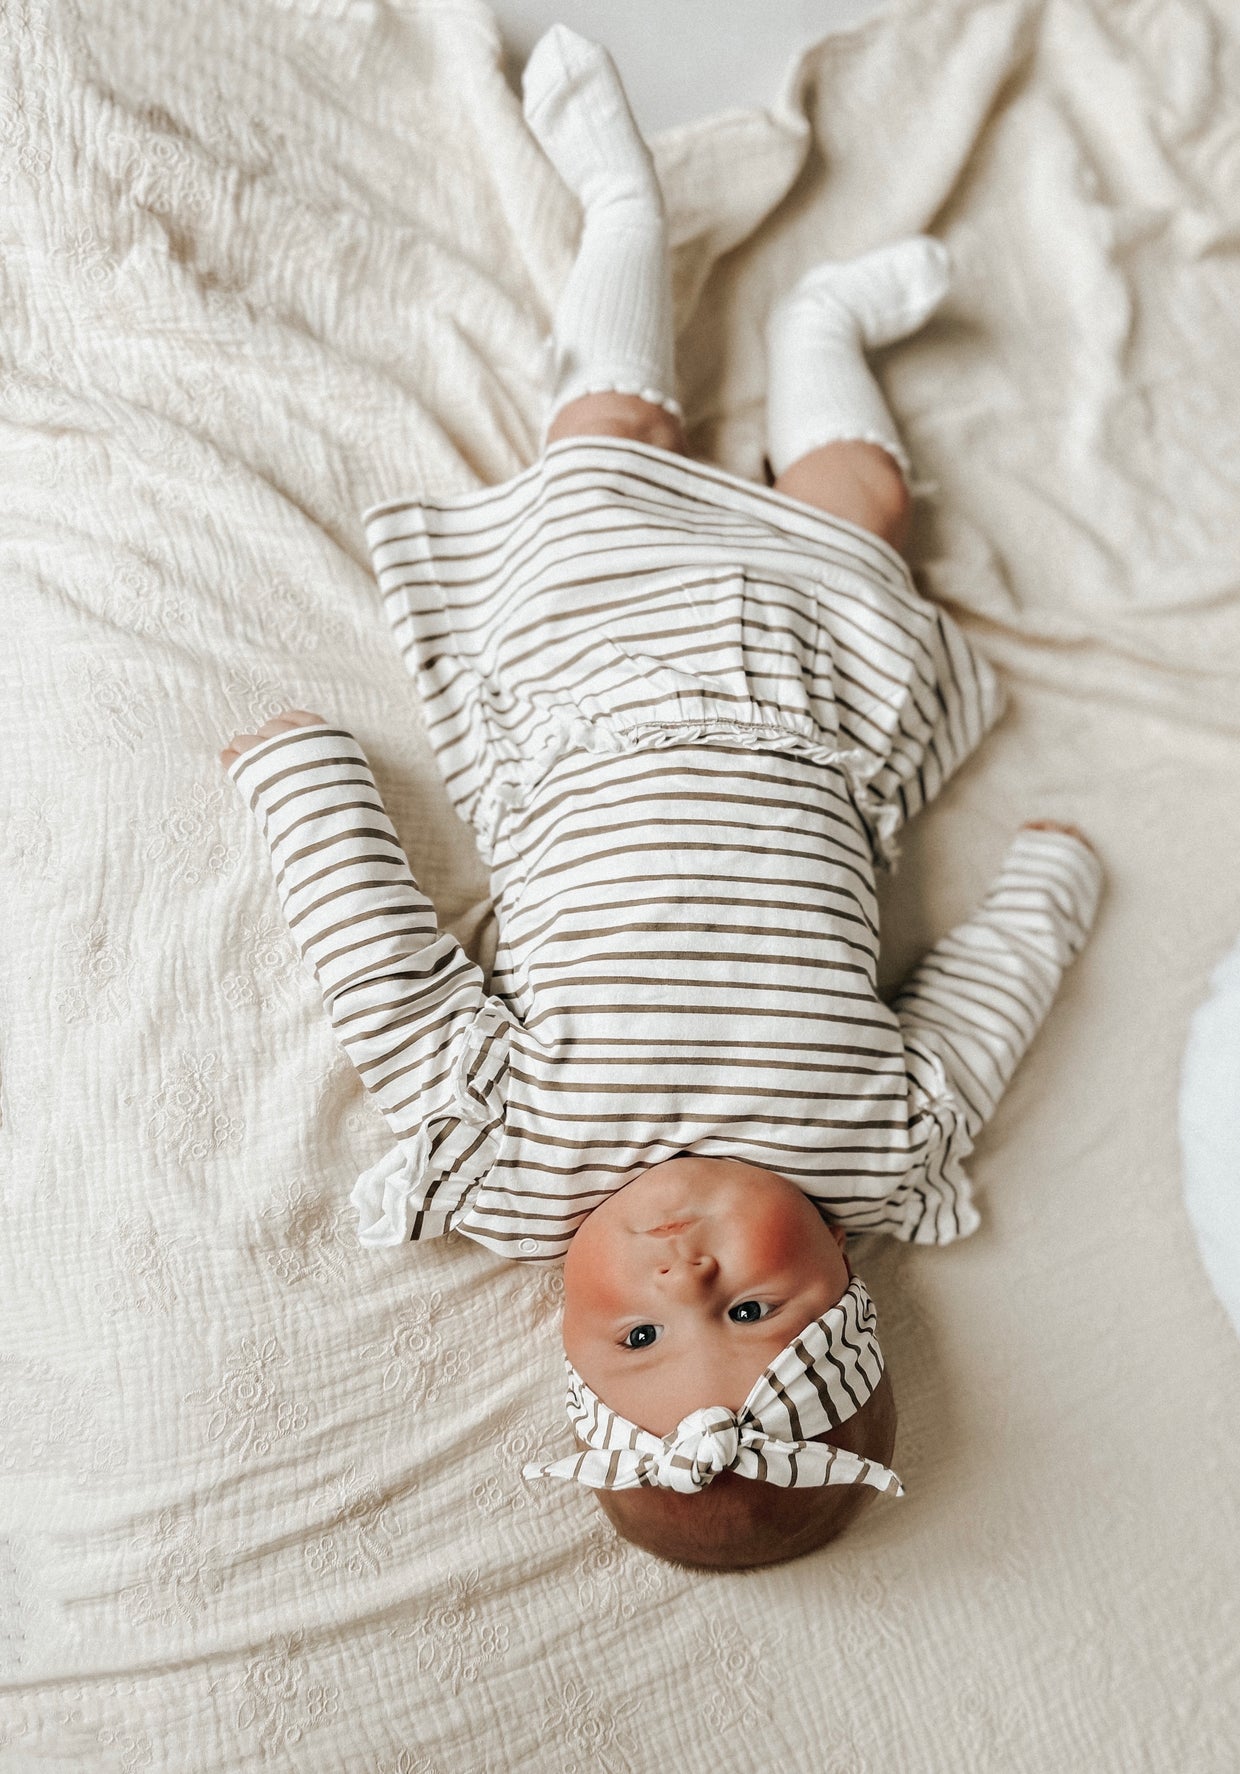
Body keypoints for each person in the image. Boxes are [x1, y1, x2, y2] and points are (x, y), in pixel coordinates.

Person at [220, 24, 1102, 1568]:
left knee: (607, 440)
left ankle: (623, 214)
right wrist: (1051, 888)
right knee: (861, 509)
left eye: (634, 1336)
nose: (680, 1277)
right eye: (753, 1307)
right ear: (851, 1284)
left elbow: (389, 981)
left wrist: (305, 785)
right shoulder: (877, 1150)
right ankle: (822, 328)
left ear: (570, 1345)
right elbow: (981, 1010)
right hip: (811, 705)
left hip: (594, 685)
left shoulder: (518, 1169)